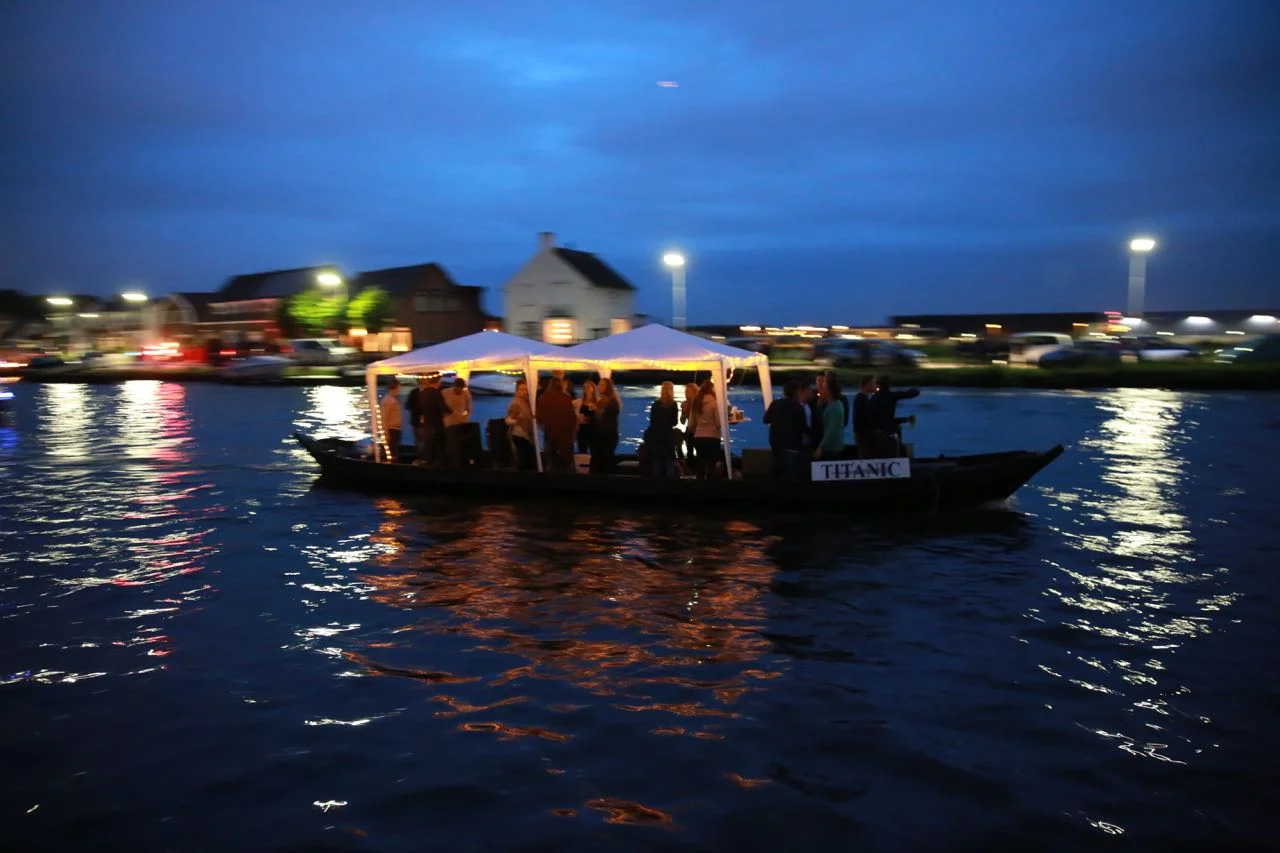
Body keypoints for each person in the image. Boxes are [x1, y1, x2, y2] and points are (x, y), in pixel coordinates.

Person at [763, 378, 806, 479]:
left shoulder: (775, 404)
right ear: (796, 392)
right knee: (790, 474)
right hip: (792, 445)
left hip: (776, 444)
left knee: (777, 472)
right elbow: (803, 427)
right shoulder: (798, 408)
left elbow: (766, 419)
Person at [870, 374, 920, 456]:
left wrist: (906, 419)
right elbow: (912, 393)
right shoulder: (892, 396)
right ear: (889, 385)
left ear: (878, 385)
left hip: (876, 432)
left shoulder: (873, 397)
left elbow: (883, 418)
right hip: (890, 432)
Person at [537, 377, 577, 472]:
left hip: (550, 433)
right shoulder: (566, 398)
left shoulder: (543, 398)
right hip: (565, 435)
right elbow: (572, 418)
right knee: (565, 461)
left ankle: (549, 480)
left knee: (551, 459)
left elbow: (540, 418)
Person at [646, 381, 679, 477]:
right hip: (668, 436)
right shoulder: (673, 405)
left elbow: (652, 422)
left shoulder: (655, 404)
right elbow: (674, 422)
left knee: (657, 461)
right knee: (669, 461)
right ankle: (669, 485)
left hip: (657, 436)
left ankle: (657, 485)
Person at [690, 379, 722, 479]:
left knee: (700, 464)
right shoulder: (715, 403)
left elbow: (693, 421)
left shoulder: (696, 402)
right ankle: (709, 489)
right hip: (712, 437)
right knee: (711, 465)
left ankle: (699, 488)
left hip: (699, 436)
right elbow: (718, 423)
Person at [417, 374, 451, 467]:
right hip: (437, 424)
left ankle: (429, 463)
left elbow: (419, 409)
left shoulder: (422, 393)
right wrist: (450, 411)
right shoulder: (437, 393)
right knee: (440, 445)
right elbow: (444, 408)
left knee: (429, 445)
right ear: (438, 381)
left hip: (427, 423)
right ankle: (439, 465)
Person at [591, 377, 622, 474]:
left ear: (607, 387)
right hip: (602, 435)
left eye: (602, 385)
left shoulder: (611, 402)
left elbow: (607, 418)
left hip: (607, 436)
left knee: (604, 462)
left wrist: (597, 409)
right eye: (599, 384)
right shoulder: (603, 402)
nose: (599, 387)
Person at [505, 379, 537, 470]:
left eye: (525, 389)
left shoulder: (527, 402)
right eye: (521, 389)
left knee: (527, 460)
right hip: (519, 434)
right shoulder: (515, 402)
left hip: (526, 434)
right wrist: (517, 421)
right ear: (517, 390)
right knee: (525, 460)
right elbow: (508, 419)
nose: (524, 392)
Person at [442, 377, 473, 467]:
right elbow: (441, 406)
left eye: (461, 388)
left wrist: (465, 418)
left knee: (459, 442)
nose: (459, 390)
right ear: (454, 386)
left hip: (461, 422)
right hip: (448, 422)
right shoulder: (445, 393)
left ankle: (459, 461)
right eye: (458, 388)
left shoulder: (466, 394)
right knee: (449, 441)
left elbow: (469, 408)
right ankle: (449, 461)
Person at [813, 376, 846, 459]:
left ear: (829, 392)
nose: (821, 391)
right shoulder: (833, 405)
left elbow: (831, 430)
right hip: (831, 446)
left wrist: (821, 447)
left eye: (824, 388)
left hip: (833, 448)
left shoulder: (834, 407)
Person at [852, 374, 879, 457]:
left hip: (863, 433)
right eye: (873, 383)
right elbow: (861, 417)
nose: (875, 386)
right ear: (867, 385)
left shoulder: (865, 397)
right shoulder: (861, 398)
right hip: (863, 435)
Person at [379, 377, 404, 462]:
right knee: (391, 452)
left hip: (396, 429)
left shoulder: (394, 400)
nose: (400, 389)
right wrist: (385, 432)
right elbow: (384, 417)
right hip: (391, 430)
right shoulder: (388, 400)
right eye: (399, 387)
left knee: (394, 450)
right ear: (395, 387)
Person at [678, 382, 698, 468]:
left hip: (698, 430)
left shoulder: (699, 404)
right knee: (689, 451)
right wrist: (684, 413)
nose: (686, 394)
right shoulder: (684, 404)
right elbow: (682, 421)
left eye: (688, 392)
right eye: (685, 392)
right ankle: (689, 467)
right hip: (689, 429)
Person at [577, 380, 598, 454]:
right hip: (582, 430)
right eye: (584, 387)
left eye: (588, 387)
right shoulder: (580, 402)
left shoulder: (597, 402)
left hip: (593, 430)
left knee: (594, 452)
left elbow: (600, 417)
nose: (586, 389)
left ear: (593, 388)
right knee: (582, 451)